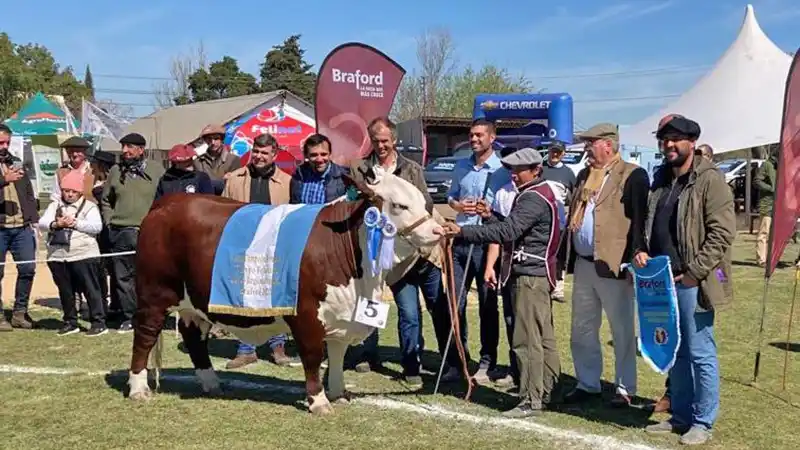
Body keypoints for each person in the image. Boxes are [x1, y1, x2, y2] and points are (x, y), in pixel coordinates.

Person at [437, 147, 561, 418]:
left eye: (518, 170)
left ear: (535, 170)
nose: (513, 175)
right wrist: (489, 216)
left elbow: (509, 231)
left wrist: (463, 230)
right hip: (534, 275)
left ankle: (531, 399)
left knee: (526, 339)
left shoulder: (532, 198)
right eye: (511, 170)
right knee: (543, 337)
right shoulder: (536, 194)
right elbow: (511, 226)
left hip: (529, 277)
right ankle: (547, 389)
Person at [636, 115, 735, 446]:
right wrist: (642, 250)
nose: (669, 145)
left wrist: (695, 271)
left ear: (692, 142)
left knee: (700, 352)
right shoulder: (661, 179)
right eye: (665, 139)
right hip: (662, 280)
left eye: (676, 139)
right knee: (675, 350)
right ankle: (679, 416)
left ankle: (702, 421)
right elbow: (652, 224)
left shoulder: (710, 179)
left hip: (694, 281)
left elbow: (722, 233)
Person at [349, 117, 452, 385]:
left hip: (417, 251)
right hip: (378, 249)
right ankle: (366, 350)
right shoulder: (360, 168)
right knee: (375, 300)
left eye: (385, 141)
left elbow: (425, 205)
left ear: (394, 140)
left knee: (434, 309)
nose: (381, 145)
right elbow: (355, 205)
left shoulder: (412, 169)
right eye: (375, 140)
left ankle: (449, 359)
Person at [565, 122, 649, 408]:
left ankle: (625, 388)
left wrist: (635, 255)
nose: (587, 149)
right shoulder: (584, 176)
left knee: (622, 329)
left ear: (608, 145)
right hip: (584, 263)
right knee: (582, 327)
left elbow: (639, 219)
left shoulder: (633, 175)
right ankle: (587, 383)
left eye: (591, 143)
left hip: (614, 265)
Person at [222, 133, 301, 369]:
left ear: (274, 155)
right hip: (242, 247)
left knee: (275, 299)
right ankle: (246, 349)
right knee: (245, 299)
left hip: (275, 248)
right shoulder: (234, 179)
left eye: (264, 152)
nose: (259, 156)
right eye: (256, 151)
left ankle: (278, 348)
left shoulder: (288, 182)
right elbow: (224, 213)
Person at [446, 118, 511, 383]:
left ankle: (487, 362)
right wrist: (458, 206)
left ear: (492, 138)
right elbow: (450, 197)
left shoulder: (502, 170)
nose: (474, 140)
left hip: (486, 245)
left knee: (487, 305)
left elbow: (504, 211)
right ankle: (457, 359)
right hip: (460, 242)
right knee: (455, 304)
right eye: (471, 135)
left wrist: (488, 212)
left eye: (479, 135)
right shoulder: (461, 166)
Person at [101, 133, 165, 332]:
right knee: (122, 278)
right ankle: (131, 317)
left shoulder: (156, 170)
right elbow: (105, 200)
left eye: (129, 147)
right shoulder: (115, 171)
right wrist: (109, 220)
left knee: (150, 276)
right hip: (119, 231)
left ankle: (153, 315)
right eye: (123, 147)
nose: (124, 151)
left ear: (141, 149)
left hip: (147, 232)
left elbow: (164, 197)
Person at [39, 170, 107, 336]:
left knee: (91, 289)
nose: (69, 195)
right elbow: (42, 223)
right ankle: (70, 321)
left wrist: (75, 223)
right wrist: (57, 223)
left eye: (73, 192)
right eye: (66, 191)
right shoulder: (54, 205)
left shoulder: (89, 206)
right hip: (58, 256)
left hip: (84, 254)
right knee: (66, 291)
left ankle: (98, 322)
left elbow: (97, 227)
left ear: (80, 192)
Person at [0, 124, 38, 331]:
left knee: (28, 269)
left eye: (7, 142)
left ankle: (19, 312)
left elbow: (28, 191)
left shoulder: (16, 162)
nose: (4, 146)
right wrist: (4, 180)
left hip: (22, 227)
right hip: (0, 228)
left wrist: (33, 218)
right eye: (0, 142)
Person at [540, 141, 577, 303]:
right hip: (539, 220)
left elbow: (574, 198)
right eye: (553, 151)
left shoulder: (568, 173)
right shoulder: (539, 168)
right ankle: (542, 284)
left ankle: (558, 288)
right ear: (548, 151)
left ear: (563, 153)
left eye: (558, 152)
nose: (555, 154)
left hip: (559, 222)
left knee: (559, 255)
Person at [289, 134, 349, 204]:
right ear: (306, 155)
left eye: (323, 154)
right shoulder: (298, 176)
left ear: (330, 154)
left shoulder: (345, 177)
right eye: (314, 155)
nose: (319, 160)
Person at [194, 124, 241, 194]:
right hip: (205, 200)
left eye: (216, 139)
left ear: (222, 139)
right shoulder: (198, 161)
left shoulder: (233, 160)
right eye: (209, 139)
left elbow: (236, 185)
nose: (213, 142)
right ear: (205, 141)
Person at [52, 136, 95, 203]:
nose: (74, 154)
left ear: (85, 152)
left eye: (78, 151)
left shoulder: (94, 171)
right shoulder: (60, 172)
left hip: (90, 211)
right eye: (71, 151)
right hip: (67, 211)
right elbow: (56, 197)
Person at [754, 147, 777, 267]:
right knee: (764, 232)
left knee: (774, 234)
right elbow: (757, 181)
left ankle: (771, 258)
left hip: (779, 205)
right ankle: (761, 259)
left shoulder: (783, 167)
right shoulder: (767, 165)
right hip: (767, 204)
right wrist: (771, 189)